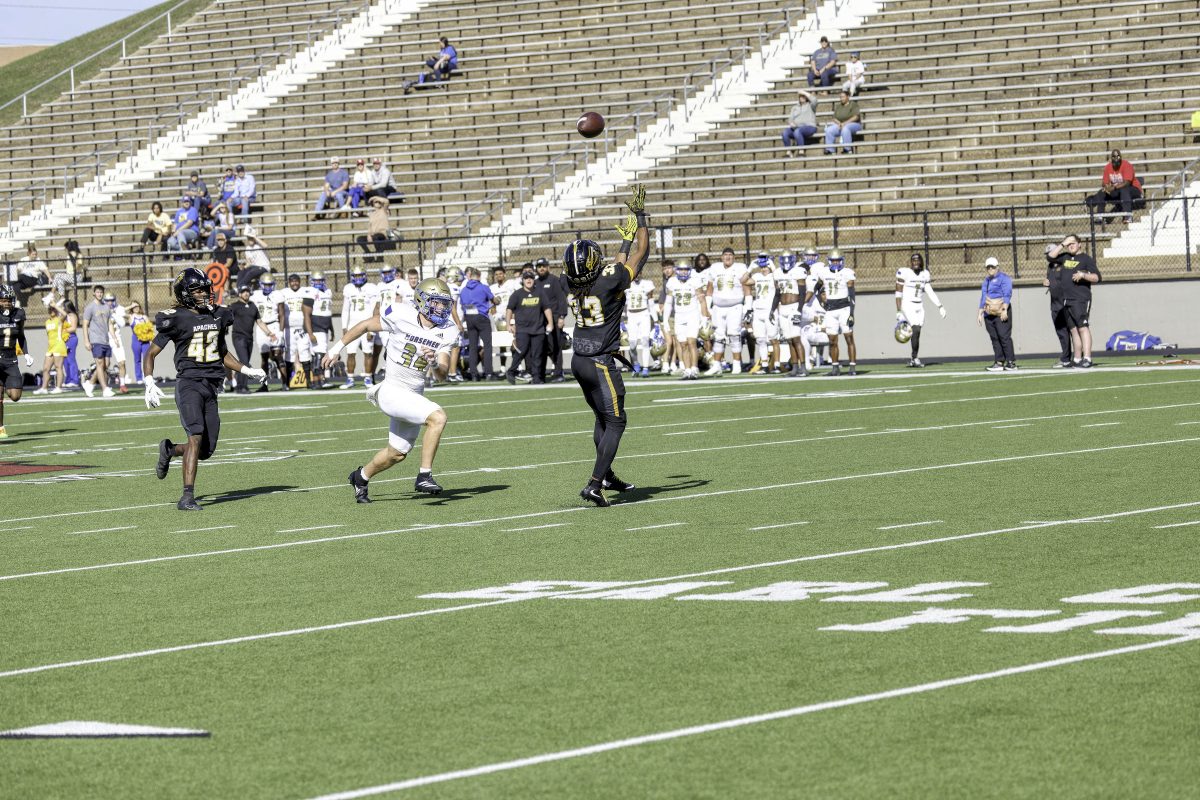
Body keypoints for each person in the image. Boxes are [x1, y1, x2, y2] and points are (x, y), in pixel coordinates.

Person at [322, 278, 459, 501]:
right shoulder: (400, 313)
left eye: (445, 303)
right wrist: (337, 348)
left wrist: (434, 364)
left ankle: (361, 477)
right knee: (438, 418)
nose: (442, 308)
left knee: (396, 453)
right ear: (422, 300)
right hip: (392, 390)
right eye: (436, 302)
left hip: (414, 395)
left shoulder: (449, 330)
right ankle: (424, 475)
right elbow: (366, 325)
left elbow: (442, 374)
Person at [144, 268, 266, 510]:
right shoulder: (177, 318)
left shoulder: (217, 315)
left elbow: (221, 352)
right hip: (188, 384)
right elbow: (151, 353)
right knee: (196, 436)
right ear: (185, 293)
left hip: (211, 385)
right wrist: (149, 381)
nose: (204, 294)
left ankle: (170, 450)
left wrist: (246, 369)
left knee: (206, 449)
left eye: (205, 289)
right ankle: (187, 497)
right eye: (198, 290)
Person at [563, 184, 649, 507]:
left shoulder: (569, 282)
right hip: (600, 362)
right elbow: (642, 255)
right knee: (616, 421)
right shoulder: (609, 279)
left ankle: (607, 475)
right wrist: (640, 217)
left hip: (579, 360)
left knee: (602, 418)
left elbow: (614, 270)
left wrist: (625, 241)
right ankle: (595, 484)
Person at [1046, 234, 1101, 368]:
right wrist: (1062, 244)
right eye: (1069, 244)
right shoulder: (1065, 257)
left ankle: (1087, 358)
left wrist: (1083, 275)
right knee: (1074, 330)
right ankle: (1077, 359)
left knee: (1082, 328)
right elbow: (1050, 257)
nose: (1071, 246)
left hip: (1080, 299)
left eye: (1073, 243)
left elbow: (1097, 277)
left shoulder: (1085, 259)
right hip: (1066, 300)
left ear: (1079, 244)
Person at [806, 248, 856, 375]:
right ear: (829, 261)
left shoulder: (847, 273)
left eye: (838, 260)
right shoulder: (823, 272)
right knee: (832, 340)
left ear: (842, 261)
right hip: (830, 310)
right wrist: (820, 300)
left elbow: (852, 295)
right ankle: (835, 367)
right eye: (833, 260)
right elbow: (817, 286)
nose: (835, 263)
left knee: (849, 338)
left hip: (844, 308)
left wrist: (851, 313)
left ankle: (852, 367)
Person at [663, 258, 712, 380]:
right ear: (677, 270)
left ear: (689, 270)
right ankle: (687, 369)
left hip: (692, 315)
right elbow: (668, 303)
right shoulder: (672, 282)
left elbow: (702, 301)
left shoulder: (694, 281)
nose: (684, 272)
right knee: (683, 344)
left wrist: (704, 317)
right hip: (679, 316)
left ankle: (694, 369)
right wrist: (665, 320)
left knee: (691, 342)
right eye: (681, 269)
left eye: (686, 269)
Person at [895, 253, 946, 368]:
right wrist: (898, 311)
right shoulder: (905, 273)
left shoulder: (925, 274)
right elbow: (898, 293)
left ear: (921, 262)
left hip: (919, 305)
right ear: (911, 262)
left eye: (918, 260)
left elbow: (929, 291)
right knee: (916, 328)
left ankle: (913, 358)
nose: (916, 262)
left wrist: (940, 306)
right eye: (913, 260)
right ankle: (915, 358)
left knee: (917, 332)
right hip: (908, 304)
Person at [704, 247, 749, 374]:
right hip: (718, 307)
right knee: (718, 336)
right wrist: (708, 308)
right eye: (725, 255)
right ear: (721, 257)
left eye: (730, 255)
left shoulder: (740, 268)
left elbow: (746, 288)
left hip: (735, 306)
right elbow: (709, 289)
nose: (727, 257)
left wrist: (748, 307)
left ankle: (736, 364)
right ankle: (717, 365)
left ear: (734, 257)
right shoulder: (715, 268)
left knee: (734, 335)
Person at [505, 270, 551, 384]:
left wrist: (550, 323)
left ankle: (536, 377)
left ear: (534, 280)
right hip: (522, 329)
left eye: (530, 278)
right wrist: (508, 324)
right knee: (521, 351)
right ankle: (511, 371)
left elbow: (546, 308)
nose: (528, 280)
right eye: (526, 278)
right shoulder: (517, 294)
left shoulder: (540, 292)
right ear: (523, 280)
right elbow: (509, 309)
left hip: (538, 329)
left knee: (537, 355)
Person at [229, 285, 277, 393]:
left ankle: (239, 386)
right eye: (243, 291)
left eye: (247, 291)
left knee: (244, 362)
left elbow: (259, 321)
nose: (246, 293)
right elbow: (226, 317)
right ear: (239, 293)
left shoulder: (253, 306)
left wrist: (269, 333)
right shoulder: (235, 306)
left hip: (249, 338)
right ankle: (243, 386)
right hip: (238, 337)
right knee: (245, 361)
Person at [340, 266, 381, 388]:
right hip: (352, 325)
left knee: (368, 352)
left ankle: (368, 378)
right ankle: (350, 379)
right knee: (350, 352)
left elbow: (375, 309)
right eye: (355, 275)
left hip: (367, 325)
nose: (358, 278)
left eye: (360, 275)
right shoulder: (348, 288)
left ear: (364, 275)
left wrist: (371, 330)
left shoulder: (371, 288)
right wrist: (344, 327)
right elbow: (345, 309)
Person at [0, 285, 32, 437]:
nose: (7, 303)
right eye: (4, 300)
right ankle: (0, 427)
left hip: (11, 359)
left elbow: (21, 336)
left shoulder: (19, 314)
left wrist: (26, 354)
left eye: (9, 300)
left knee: (15, 396)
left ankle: (6, 384)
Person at [249, 274, 288, 390]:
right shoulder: (255, 295)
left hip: (274, 325)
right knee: (264, 357)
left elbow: (282, 314)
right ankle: (264, 385)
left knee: (278, 355)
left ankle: (285, 384)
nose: (268, 287)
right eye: (265, 285)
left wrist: (281, 331)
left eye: (270, 284)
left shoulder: (277, 295)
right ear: (261, 284)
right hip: (261, 326)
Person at [457, 267, 496, 380]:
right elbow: (493, 299)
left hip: (469, 318)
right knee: (487, 345)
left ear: (470, 276)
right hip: (482, 317)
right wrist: (496, 301)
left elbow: (462, 304)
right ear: (479, 276)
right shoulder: (483, 287)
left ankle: (474, 373)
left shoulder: (463, 290)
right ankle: (488, 373)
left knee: (473, 346)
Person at [773, 251, 808, 376]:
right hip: (782, 308)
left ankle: (803, 367)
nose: (786, 262)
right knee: (789, 340)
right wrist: (772, 310)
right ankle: (794, 368)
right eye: (784, 259)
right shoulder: (777, 273)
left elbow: (803, 293)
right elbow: (777, 294)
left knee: (796, 338)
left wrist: (799, 310)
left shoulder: (798, 271)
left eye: (788, 259)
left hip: (794, 307)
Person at [977, 257, 1015, 372]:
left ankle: (1011, 362)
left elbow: (1007, 294)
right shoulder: (986, 281)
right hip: (989, 313)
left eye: (992, 267)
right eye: (988, 267)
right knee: (994, 338)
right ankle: (999, 362)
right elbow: (983, 296)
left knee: (1004, 336)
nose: (990, 269)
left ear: (997, 267)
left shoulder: (1004, 278)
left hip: (1000, 311)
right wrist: (980, 312)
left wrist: (1004, 309)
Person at [1085, 149, 1142, 224]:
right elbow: (1104, 183)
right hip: (1118, 190)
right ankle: (1100, 217)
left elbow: (1127, 183)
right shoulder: (1108, 167)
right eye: (1114, 157)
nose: (1116, 159)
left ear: (1120, 157)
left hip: (1133, 189)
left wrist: (1114, 187)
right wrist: (1107, 187)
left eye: (1118, 156)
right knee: (1102, 192)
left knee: (1124, 190)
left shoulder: (1127, 165)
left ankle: (1128, 216)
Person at [742, 255, 778, 375]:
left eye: (766, 266)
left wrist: (773, 267)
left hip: (770, 310)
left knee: (773, 339)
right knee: (761, 339)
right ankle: (765, 366)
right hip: (758, 310)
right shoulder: (757, 276)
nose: (763, 269)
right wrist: (750, 269)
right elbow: (743, 281)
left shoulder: (774, 275)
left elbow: (779, 280)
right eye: (762, 267)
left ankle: (776, 365)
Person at [280, 273, 317, 387]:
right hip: (288, 329)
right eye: (292, 281)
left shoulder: (305, 291)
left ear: (300, 282)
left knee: (305, 353)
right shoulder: (283, 292)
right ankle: (287, 383)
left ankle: (309, 382)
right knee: (289, 355)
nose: (294, 283)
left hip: (302, 328)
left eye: (296, 281)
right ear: (289, 282)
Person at [533, 257, 567, 381]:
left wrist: (562, 316)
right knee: (542, 347)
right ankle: (540, 374)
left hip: (555, 318)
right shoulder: (535, 282)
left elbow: (561, 299)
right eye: (539, 266)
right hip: (539, 321)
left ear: (548, 267)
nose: (541, 268)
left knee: (555, 346)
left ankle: (558, 373)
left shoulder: (554, 280)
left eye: (543, 266)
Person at [80, 285, 114, 397]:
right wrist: (86, 341)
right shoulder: (90, 307)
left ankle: (90, 383)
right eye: (97, 292)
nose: (99, 294)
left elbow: (109, 323)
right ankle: (105, 389)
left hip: (105, 340)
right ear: (94, 293)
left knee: (106, 364)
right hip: (95, 339)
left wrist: (114, 337)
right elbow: (85, 324)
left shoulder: (106, 307)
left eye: (101, 292)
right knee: (99, 363)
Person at [624, 267, 657, 377]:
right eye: (635, 273)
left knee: (645, 341)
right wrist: (622, 319)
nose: (637, 275)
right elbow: (623, 304)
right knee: (632, 344)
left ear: (642, 273)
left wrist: (656, 320)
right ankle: (636, 364)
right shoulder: (626, 284)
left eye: (639, 273)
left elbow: (651, 303)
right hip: (631, 316)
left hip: (644, 314)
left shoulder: (647, 284)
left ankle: (645, 368)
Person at [32, 301, 68, 395]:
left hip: (59, 345)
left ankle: (58, 387)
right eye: (51, 309)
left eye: (54, 309)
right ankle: (44, 388)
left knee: (58, 367)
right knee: (46, 368)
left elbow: (65, 314)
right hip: (51, 347)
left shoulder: (59, 319)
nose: (52, 311)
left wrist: (55, 305)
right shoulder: (47, 322)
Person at [308, 272, 335, 389]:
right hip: (316, 326)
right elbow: (307, 313)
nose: (318, 282)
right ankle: (318, 381)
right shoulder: (310, 292)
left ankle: (317, 381)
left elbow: (328, 312)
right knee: (319, 354)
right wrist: (310, 332)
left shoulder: (328, 292)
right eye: (316, 280)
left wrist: (331, 329)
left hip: (324, 327)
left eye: (320, 280)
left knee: (318, 355)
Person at [489, 266, 518, 372]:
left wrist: (515, 315)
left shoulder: (511, 284)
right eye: (496, 274)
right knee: (502, 343)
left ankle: (516, 366)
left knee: (514, 342)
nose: (498, 276)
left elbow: (518, 298)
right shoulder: (492, 288)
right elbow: (491, 304)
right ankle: (502, 368)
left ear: (504, 274)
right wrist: (495, 314)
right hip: (499, 318)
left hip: (512, 317)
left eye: (500, 274)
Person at [105, 291, 131, 393]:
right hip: (104, 338)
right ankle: (100, 385)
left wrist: (114, 314)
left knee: (122, 362)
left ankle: (122, 385)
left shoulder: (118, 309)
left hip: (117, 338)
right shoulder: (101, 309)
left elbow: (122, 323)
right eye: (107, 300)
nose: (110, 302)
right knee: (104, 364)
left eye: (111, 300)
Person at [356, 195, 394, 263]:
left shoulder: (384, 210)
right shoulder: (371, 214)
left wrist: (375, 197)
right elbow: (370, 226)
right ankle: (369, 254)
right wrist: (369, 235)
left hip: (383, 234)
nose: (378, 203)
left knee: (376, 237)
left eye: (379, 202)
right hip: (374, 235)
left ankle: (379, 257)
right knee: (359, 239)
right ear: (373, 204)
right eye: (376, 202)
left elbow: (386, 201)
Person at [824, 91, 863, 155]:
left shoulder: (853, 105)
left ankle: (847, 149)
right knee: (829, 130)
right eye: (840, 97)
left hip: (854, 124)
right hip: (841, 124)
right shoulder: (839, 106)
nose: (841, 98)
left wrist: (844, 123)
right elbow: (834, 118)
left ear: (848, 97)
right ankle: (830, 150)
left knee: (846, 128)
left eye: (843, 97)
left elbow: (856, 117)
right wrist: (839, 123)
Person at [781, 91, 818, 155]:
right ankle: (788, 151)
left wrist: (804, 92)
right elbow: (790, 118)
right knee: (785, 132)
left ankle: (801, 151)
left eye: (804, 96)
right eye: (801, 96)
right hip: (796, 127)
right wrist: (791, 123)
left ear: (806, 97)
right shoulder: (795, 107)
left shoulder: (810, 105)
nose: (802, 98)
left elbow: (814, 100)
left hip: (809, 126)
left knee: (797, 131)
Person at [238, 225, 271, 292]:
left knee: (251, 272)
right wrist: (244, 267)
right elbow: (249, 263)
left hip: (263, 267)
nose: (250, 240)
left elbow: (266, 246)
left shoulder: (259, 245)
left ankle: (240, 288)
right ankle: (240, 289)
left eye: (251, 238)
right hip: (253, 267)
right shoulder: (247, 248)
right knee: (241, 272)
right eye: (249, 238)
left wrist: (254, 237)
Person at [128, 301, 153, 384]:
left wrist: (151, 340)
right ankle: (139, 378)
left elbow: (150, 329)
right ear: (131, 308)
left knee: (147, 359)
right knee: (137, 360)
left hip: (146, 341)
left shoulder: (144, 317)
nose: (136, 308)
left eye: (137, 306)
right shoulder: (131, 317)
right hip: (136, 340)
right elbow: (120, 313)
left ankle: (147, 377)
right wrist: (130, 306)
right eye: (134, 307)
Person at [61, 299, 80, 387]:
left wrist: (63, 330)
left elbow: (73, 328)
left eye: (63, 306)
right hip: (64, 339)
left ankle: (74, 380)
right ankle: (68, 379)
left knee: (71, 359)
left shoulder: (72, 315)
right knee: (65, 360)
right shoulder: (64, 316)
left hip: (71, 338)